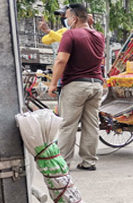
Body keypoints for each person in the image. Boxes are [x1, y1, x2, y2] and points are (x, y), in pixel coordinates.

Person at [48, 4, 104, 171]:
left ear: (74, 19)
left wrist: (52, 84)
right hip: (96, 85)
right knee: (91, 124)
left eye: (66, 17)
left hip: (75, 85)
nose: (65, 20)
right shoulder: (99, 36)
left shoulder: (70, 35)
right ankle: (89, 161)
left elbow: (61, 60)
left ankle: (63, 163)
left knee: (68, 124)